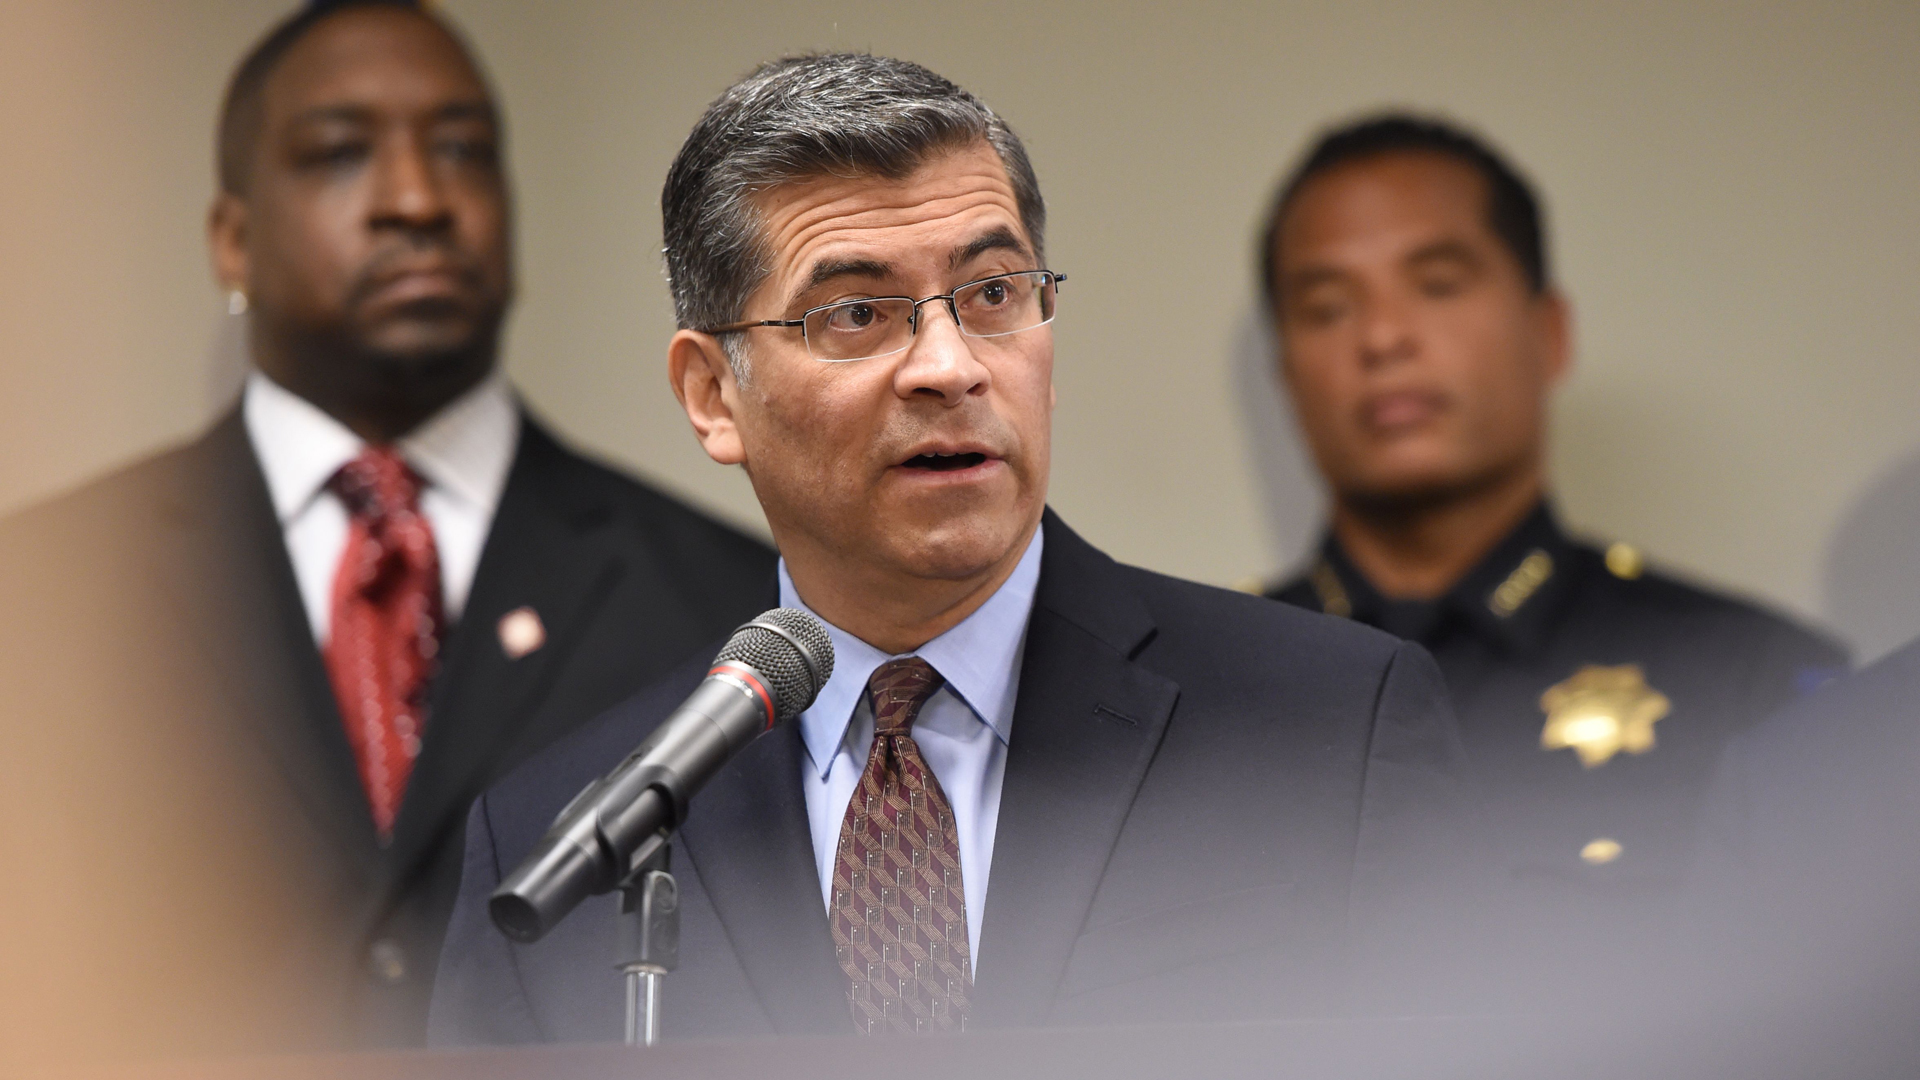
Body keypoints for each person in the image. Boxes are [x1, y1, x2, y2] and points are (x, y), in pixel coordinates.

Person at [427, 53, 1482, 1047]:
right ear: (714, 397)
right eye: (855, 313)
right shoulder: (557, 851)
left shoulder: (1335, 735)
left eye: (992, 295)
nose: (949, 366)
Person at [0, 0, 772, 1058]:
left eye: (461, 150)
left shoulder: (733, 610)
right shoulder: (38, 600)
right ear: (232, 239)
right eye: (338, 154)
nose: (417, 199)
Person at [1256, 115, 1847, 939]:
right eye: (1327, 307)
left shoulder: (1758, 686)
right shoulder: (1197, 692)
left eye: (1437, 284)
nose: (1383, 338)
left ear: (1550, 333)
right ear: (1287, 372)